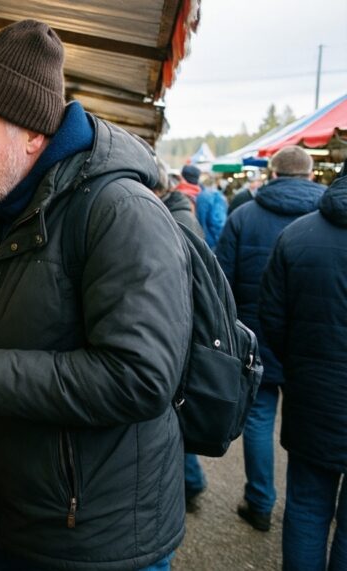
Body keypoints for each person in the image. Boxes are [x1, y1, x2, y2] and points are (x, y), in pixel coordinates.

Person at [0, 20, 192, 570]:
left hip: (96, 539)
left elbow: (139, 378)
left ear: (33, 136)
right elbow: (25, 317)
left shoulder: (120, 212)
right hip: (28, 516)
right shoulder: (12, 206)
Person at [215, 145, 326, 532]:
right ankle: (308, 504)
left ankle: (261, 501)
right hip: (313, 343)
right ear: (311, 176)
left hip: (256, 334)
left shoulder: (243, 215)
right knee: (311, 426)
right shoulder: (328, 218)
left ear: (272, 174)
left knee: (259, 418)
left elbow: (221, 280)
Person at [259, 167, 347, 569]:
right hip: (313, 390)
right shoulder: (296, 233)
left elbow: (272, 321)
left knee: (308, 508)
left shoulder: (296, 236)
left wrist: (300, 364)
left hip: (312, 395)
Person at [152, 158, 208, 512]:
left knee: (172, 410)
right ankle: (192, 480)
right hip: (178, 336)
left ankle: (192, 480)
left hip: (176, 339)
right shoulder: (178, 215)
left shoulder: (169, 223)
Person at [196, 173, 227, 249]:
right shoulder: (216, 196)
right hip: (213, 242)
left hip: (203, 240)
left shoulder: (200, 195)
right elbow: (218, 221)